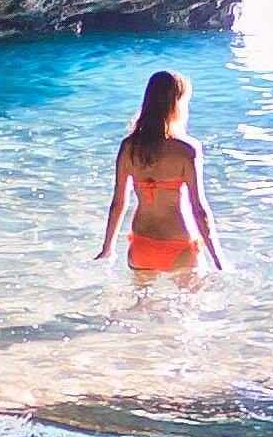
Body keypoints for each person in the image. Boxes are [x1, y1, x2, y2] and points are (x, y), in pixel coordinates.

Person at [95, 68, 225, 280]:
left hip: (141, 247)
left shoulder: (128, 147)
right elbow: (199, 209)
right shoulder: (187, 150)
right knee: (189, 310)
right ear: (177, 104)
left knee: (141, 309)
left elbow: (118, 203)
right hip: (180, 246)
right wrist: (218, 260)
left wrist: (107, 247)